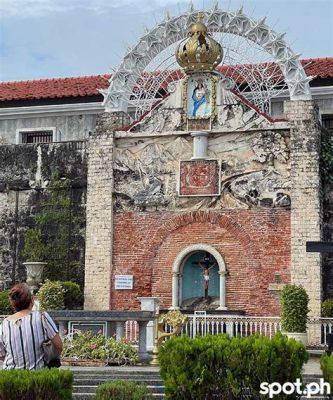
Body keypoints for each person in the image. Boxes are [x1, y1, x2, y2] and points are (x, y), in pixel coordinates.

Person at [0, 283, 63, 370]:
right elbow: (59, 345)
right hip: (36, 376)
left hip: (10, 377)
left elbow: (1, 354)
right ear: (32, 300)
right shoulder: (42, 317)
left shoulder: (5, 324)